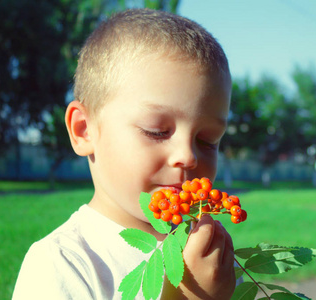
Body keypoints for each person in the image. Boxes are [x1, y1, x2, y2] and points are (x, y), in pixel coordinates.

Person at [13, 8, 235, 299]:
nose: (188, 156)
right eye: (157, 131)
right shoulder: (61, 264)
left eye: (207, 140)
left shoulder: (205, 253)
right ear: (84, 130)